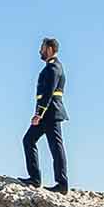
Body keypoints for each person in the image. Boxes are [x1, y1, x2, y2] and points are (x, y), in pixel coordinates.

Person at [20, 37, 68, 192]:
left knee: (56, 148)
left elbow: (48, 93)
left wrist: (39, 114)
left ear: (49, 49)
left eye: (42, 48)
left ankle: (62, 184)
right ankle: (34, 179)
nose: (40, 51)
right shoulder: (50, 67)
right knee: (28, 140)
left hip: (51, 114)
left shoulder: (54, 67)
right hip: (46, 114)